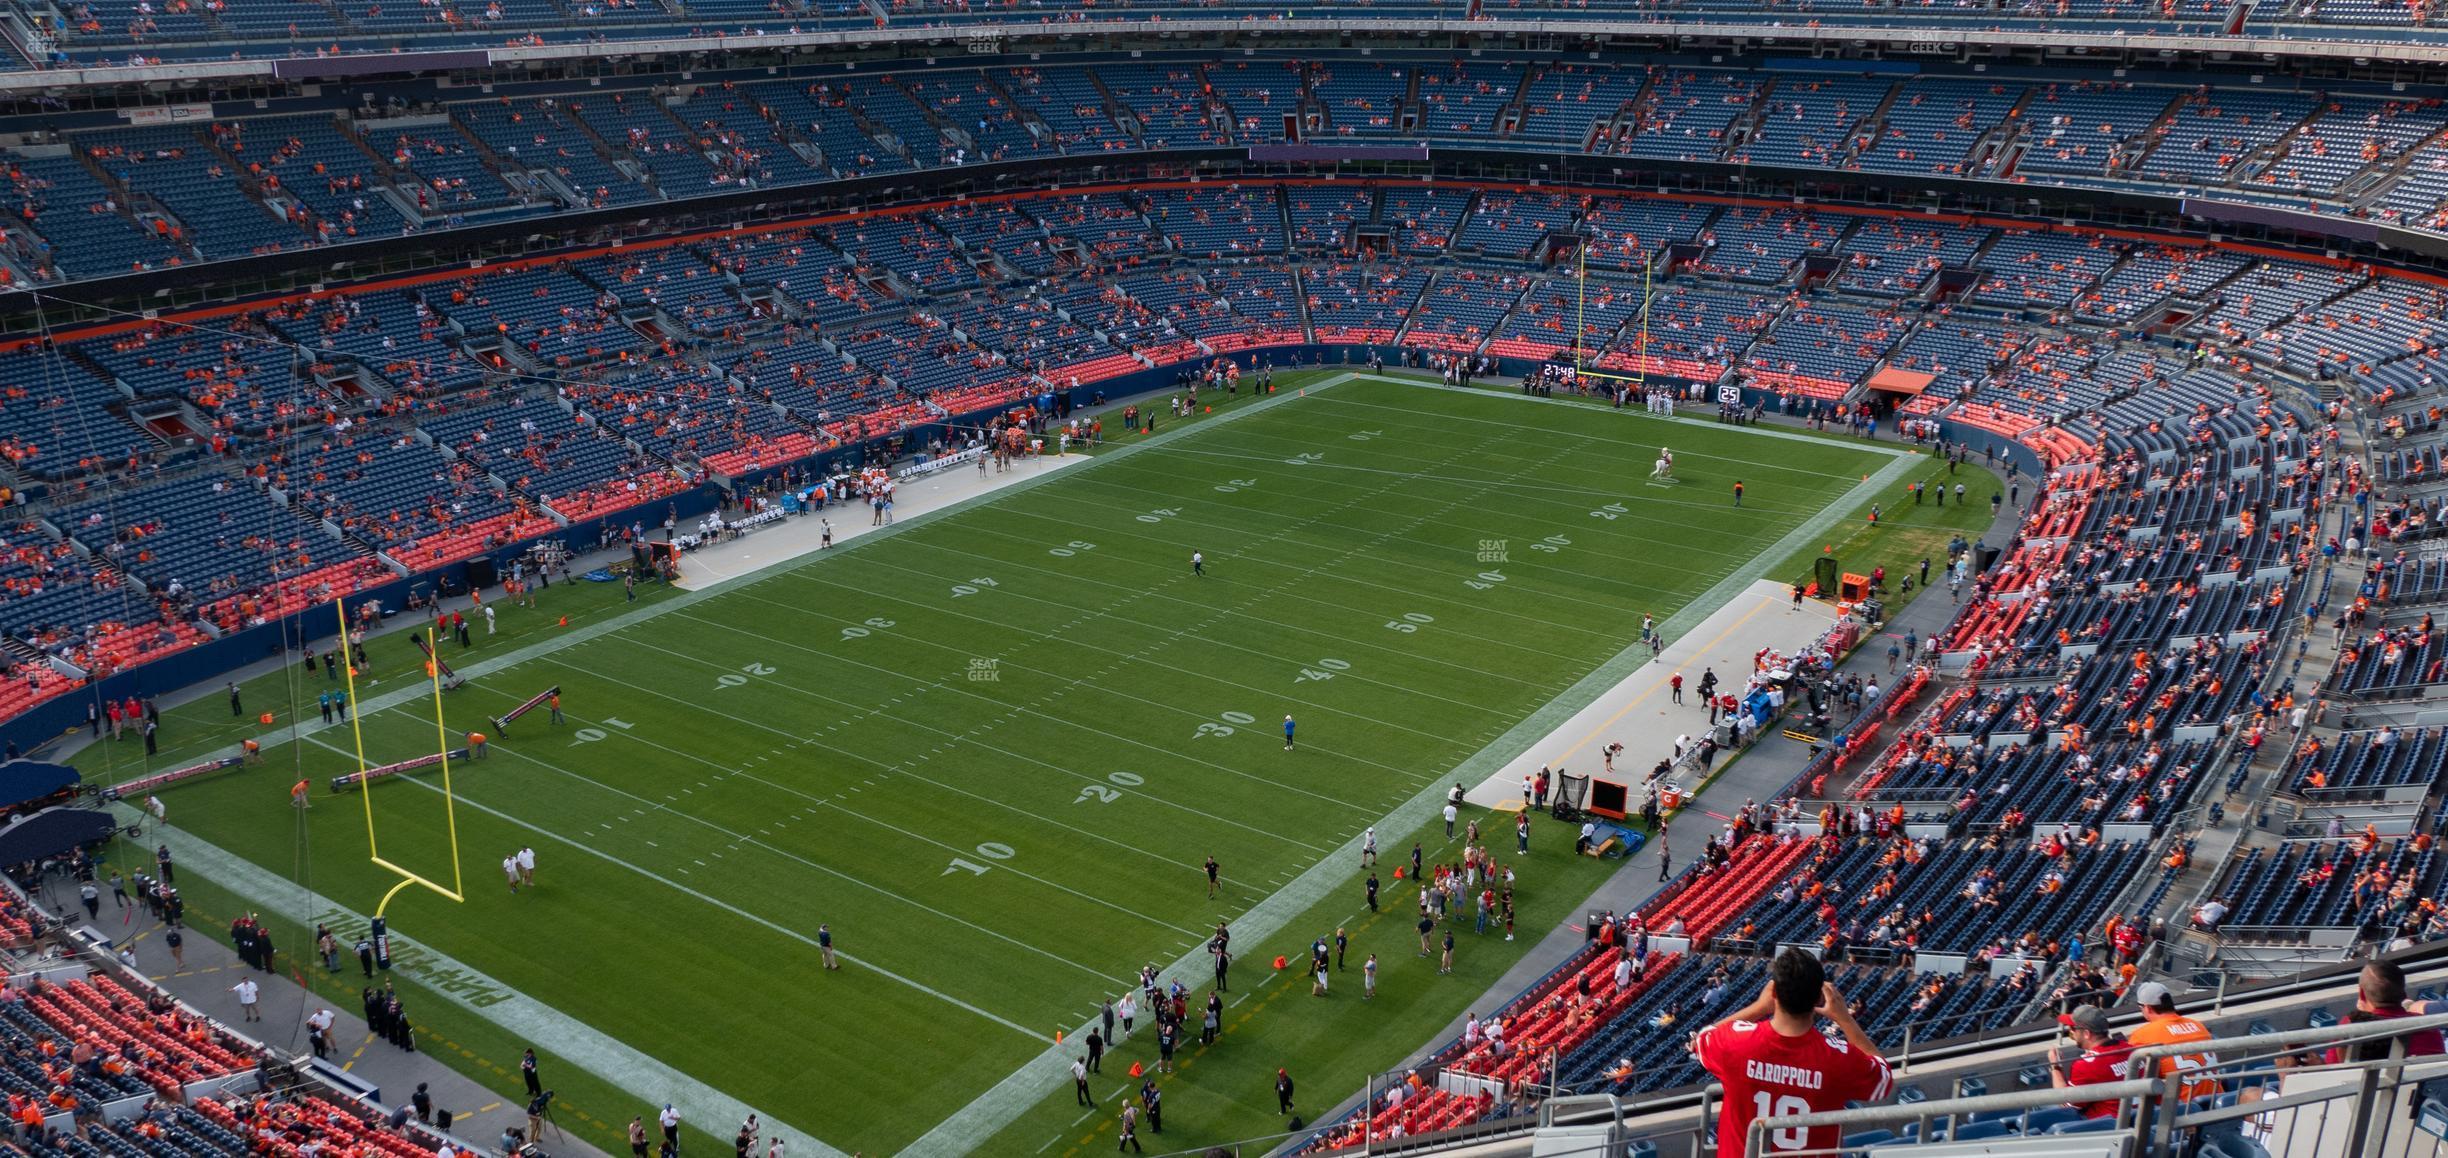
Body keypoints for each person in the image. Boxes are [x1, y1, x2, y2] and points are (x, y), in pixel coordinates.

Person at [1691, 947, 1892, 1158]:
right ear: (1818, 1000)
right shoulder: (1839, 1058)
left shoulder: (1736, 1042)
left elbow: (1702, 1038)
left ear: (1774, 993)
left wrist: (1759, 1007)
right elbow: (1883, 1079)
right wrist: (1845, 1019)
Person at [2049, 1005, 2136, 1118]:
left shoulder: (2086, 1065)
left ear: (2086, 1034)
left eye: (2072, 1028)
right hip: (2142, 1118)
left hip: (2107, 1127)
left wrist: (2055, 1067)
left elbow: (2066, 1104)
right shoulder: (2133, 1049)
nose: (2071, 1032)